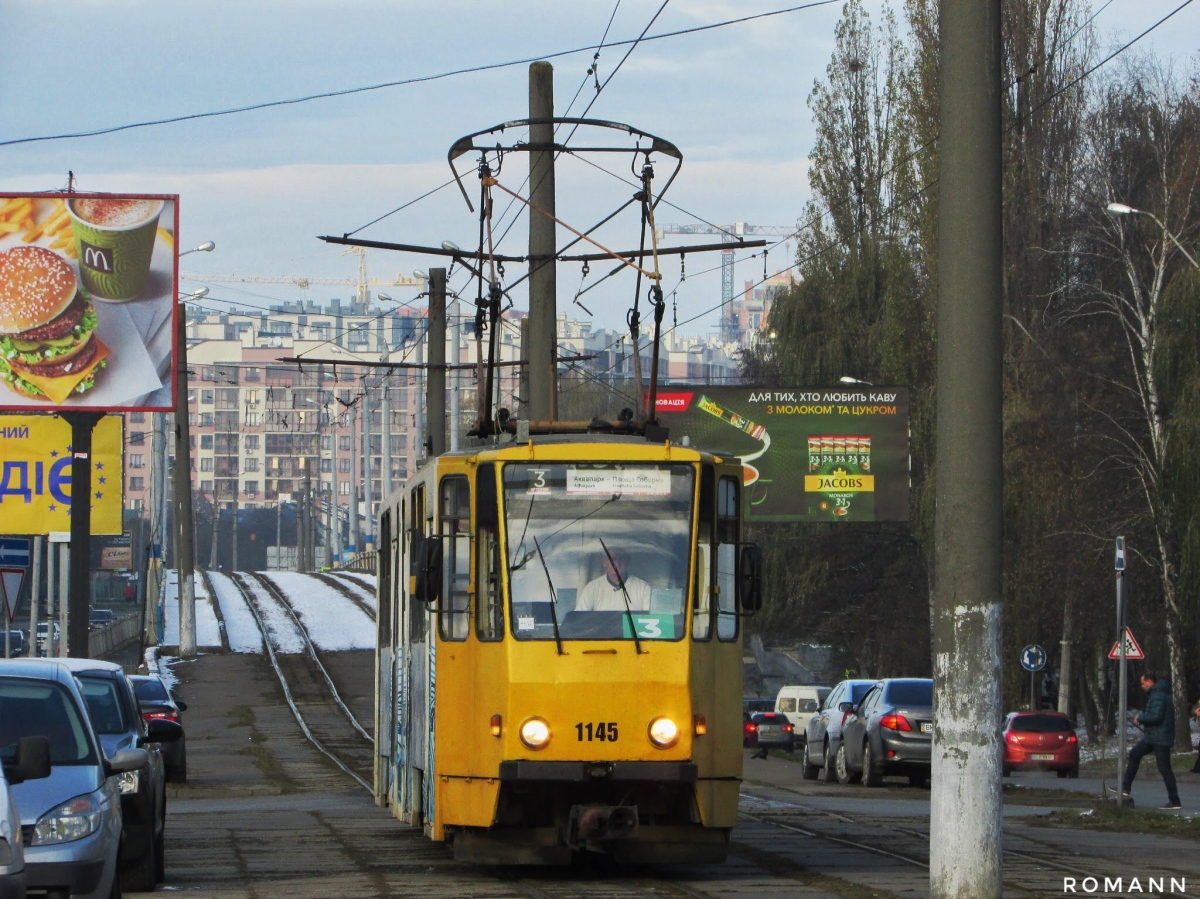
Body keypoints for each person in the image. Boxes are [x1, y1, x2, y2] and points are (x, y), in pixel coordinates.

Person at [1113, 671, 1182, 810]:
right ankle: (1125, 787)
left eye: (1143, 683)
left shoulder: (1158, 696)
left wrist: (1141, 718)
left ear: (1150, 682)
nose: (1142, 686)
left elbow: (1156, 717)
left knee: (1164, 769)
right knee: (1135, 754)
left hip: (1159, 738)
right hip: (1153, 737)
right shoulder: (1158, 694)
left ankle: (1175, 801)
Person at [575, 549, 651, 612]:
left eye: (621, 558)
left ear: (627, 561)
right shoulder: (592, 588)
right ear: (604, 562)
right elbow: (579, 619)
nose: (617, 564)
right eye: (613, 559)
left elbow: (651, 618)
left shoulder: (643, 588)